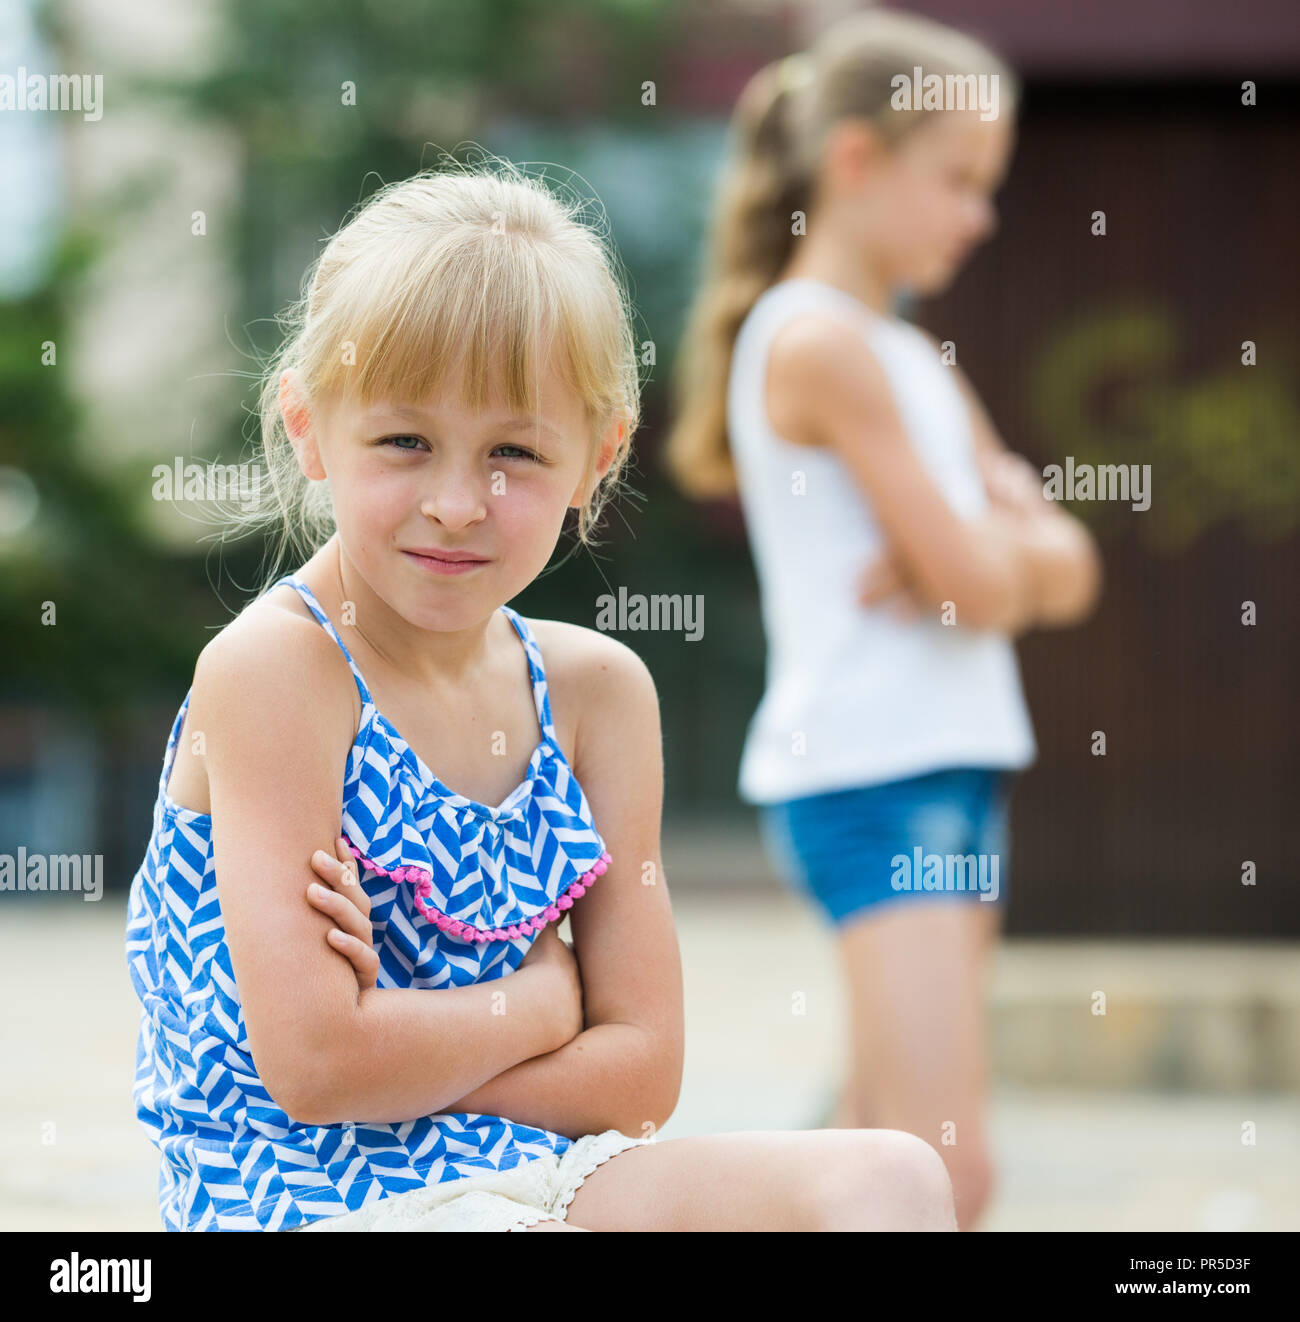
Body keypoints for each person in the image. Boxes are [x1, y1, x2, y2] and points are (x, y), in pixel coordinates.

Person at [124, 160, 958, 1232]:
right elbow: (319, 1069)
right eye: (404, 441)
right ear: (307, 424)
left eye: (514, 451)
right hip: (305, 1196)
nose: (459, 502)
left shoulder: (596, 692)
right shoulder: (279, 669)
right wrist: (541, 1004)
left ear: (596, 457)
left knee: (891, 1177)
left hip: (536, 1179)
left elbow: (642, 1075)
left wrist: (413, 1040)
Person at [666, 11, 1102, 1231]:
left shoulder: (906, 353)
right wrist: (984, 552)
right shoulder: (816, 346)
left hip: (953, 763)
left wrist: (982, 555)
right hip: (875, 772)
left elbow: (1067, 571)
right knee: (944, 1169)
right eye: (957, 180)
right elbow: (990, 582)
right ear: (855, 163)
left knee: (870, 1148)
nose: (980, 214)